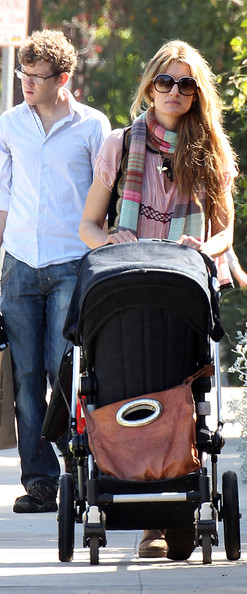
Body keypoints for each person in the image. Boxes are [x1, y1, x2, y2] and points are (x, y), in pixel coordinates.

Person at [79, 39, 237, 559]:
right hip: (127, 287)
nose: (174, 91)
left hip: (184, 289)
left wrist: (200, 247)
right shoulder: (120, 146)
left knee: (182, 391)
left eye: (186, 84)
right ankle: (152, 521)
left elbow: (224, 235)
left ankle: (169, 517)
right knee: (133, 383)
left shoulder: (209, 151)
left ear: (196, 94)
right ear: (150, 85)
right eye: (165, 81)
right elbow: (88, 227)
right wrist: (113, 241)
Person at [0, 29, 111, 514]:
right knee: (25, 377)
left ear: (62, 78)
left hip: (71, 263)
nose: (26, 82)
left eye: (36, 76)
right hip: (19, 263)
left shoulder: (93, 127)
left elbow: (103, 201)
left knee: (63, 371)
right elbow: (2, 199)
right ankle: (41, 482)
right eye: (23, 74)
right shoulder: (8, 125)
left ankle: (80, 470)